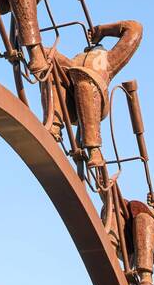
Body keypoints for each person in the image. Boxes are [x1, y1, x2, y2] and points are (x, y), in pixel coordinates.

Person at [49, 20, 143, 187]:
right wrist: (46, 54)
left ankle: (94, 149)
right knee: (49, 58)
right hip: (70, 101)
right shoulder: (76, 59)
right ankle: (54, 124)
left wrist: (101, 31)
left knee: (85, 79)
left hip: (94, 97)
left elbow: (134, 29)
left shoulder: (108, 59)